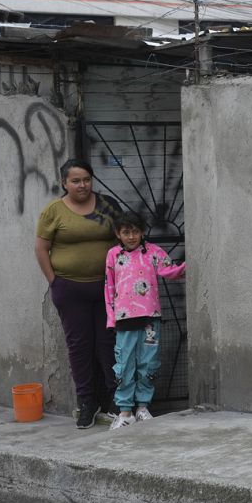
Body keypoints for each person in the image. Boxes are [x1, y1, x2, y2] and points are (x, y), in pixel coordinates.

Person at [34, 159, 122, 429]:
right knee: (79, 346)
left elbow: (126, 237)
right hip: (70, 290)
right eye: (75, 180)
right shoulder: (54, 211)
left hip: (107, 289)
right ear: (64, 183)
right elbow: (41, 248)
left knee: (109, 345)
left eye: (86, 179)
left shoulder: (107, 205)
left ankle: (117, 402)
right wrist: (55, 282)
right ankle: (87, 402)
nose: (82, 185)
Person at [104, 211, 186, 430]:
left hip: (151, 317)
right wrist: (111, 318)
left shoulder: (153, 252)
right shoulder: (113, 255)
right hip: (125, 318)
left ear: (142, 232)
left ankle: (142, 407)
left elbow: (170, 271)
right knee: (125, 365)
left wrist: (189, 265)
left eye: (136, 231)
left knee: (148, 363)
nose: (131, 236)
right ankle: (125, 411)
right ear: (118, 234)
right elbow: (108, 287)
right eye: (126, 232)